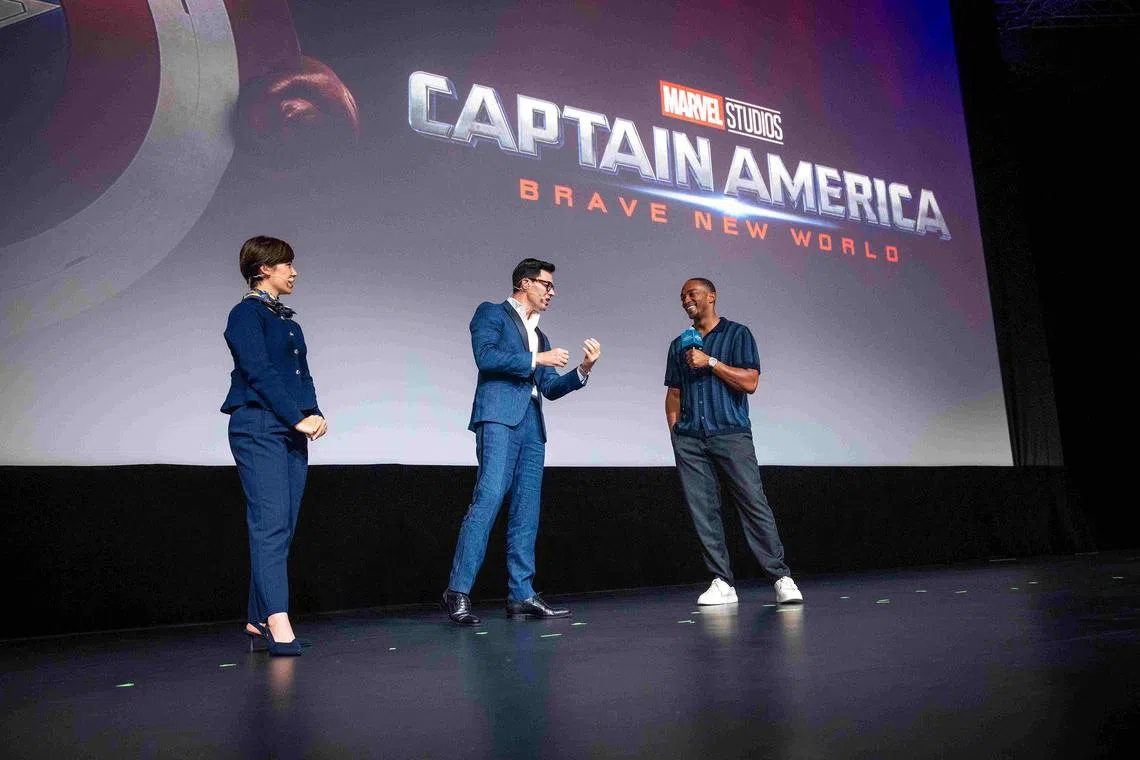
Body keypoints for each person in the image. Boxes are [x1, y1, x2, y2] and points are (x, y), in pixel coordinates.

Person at [443, 258, 601, 625]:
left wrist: (583, 370)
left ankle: (521, 595)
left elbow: (549, 387)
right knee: (489, 497)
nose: (551, 292)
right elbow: (486, 358)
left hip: (531, 425)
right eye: (547, 285)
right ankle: (458, 591)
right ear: (525, 283)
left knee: (527, 510)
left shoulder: (540, 334)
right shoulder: (492, 313)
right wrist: (536, 357)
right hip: (498, 417)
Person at [665, 278, 803, 606]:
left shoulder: (738, 334)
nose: (686, 299)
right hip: (691, 441)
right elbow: (673, 393)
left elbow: (750, 382)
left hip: (730, 435)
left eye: (692, 293)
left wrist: (710, 362)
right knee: (704, 511)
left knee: (753, 504)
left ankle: (781, 577)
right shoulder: (678, 345)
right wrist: (676, 435)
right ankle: (722, 582)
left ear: (711, 297)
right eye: (682, 296)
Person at [222, 236, 327, 655]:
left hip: (289, 429)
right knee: (270, 524)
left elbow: (303, 375)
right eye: (287, 264)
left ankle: (255, 617)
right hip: (258, 424)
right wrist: (296, 416)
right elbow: (259, 371)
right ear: (264, 268)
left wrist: (314, 412)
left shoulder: (289, 322)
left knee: (281, 526)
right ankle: (278, 620)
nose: (294, 271)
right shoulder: (245, 314)